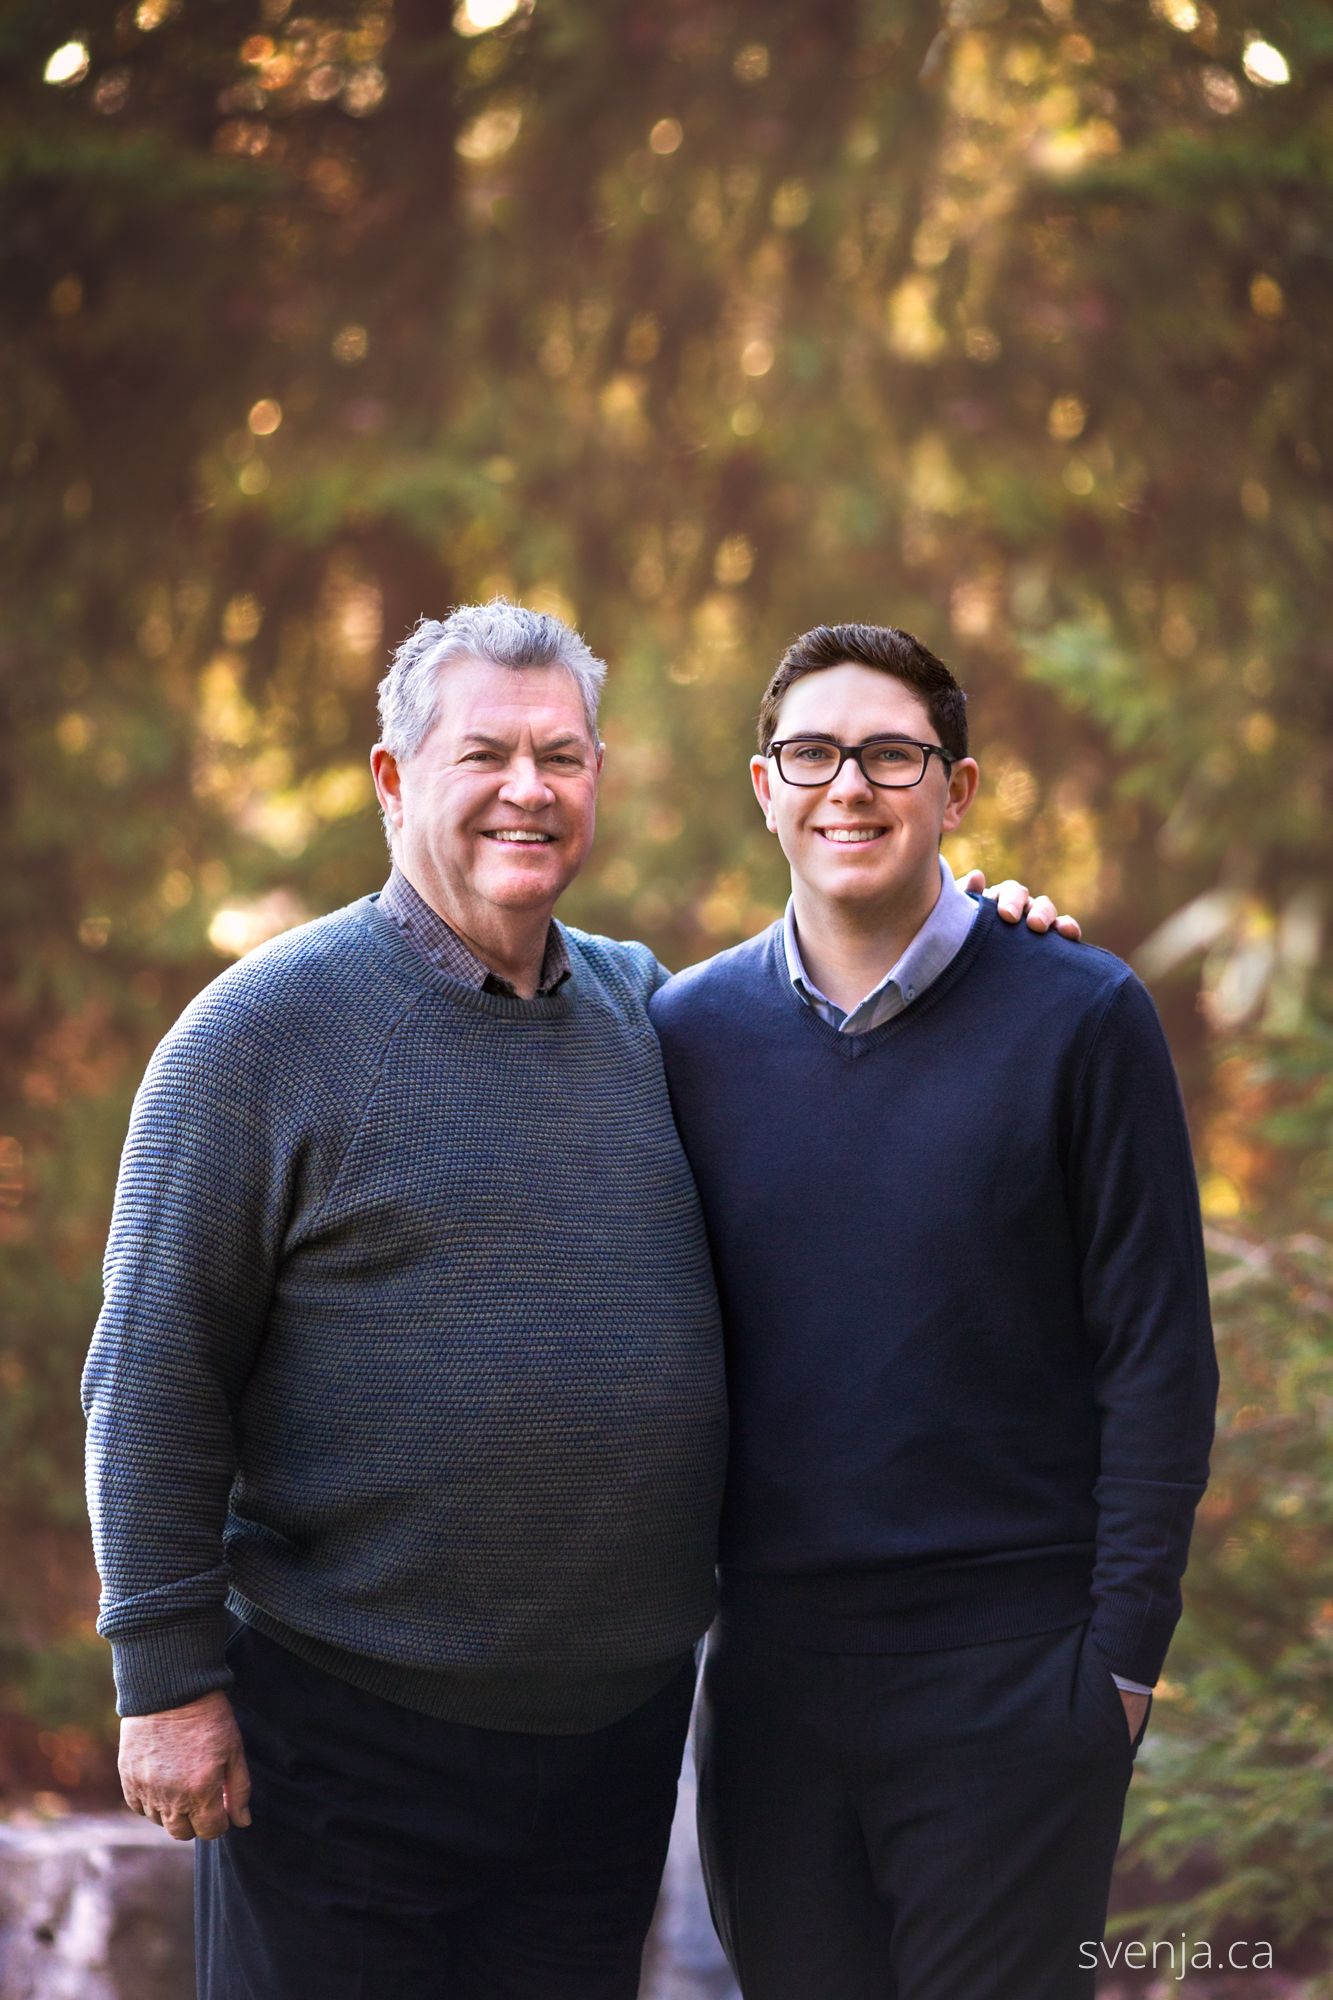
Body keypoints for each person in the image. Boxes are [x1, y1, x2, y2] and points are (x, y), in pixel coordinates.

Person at [82, 599, 1070, 1999]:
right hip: (347, 1739)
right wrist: (165, 1684)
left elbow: (850, 1051)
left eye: (562, 756)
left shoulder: (650, 1016)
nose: (528, 790)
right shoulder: (259, 1040)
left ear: (598, 778)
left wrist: (988, 949)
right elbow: (155, 1370)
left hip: (607, 1752)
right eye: (485, 754)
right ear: (391, 778)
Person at [650, 622, 1218, 2000]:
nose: (849, 785)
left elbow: (1159, 1356)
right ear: (763, 787)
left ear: (954, 791)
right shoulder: (682, 1036)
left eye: (891, 753)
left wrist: (1120, 1667)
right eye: (813, 754)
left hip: (1014, 1683)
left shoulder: (1082, 1017)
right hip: (770, 1691)